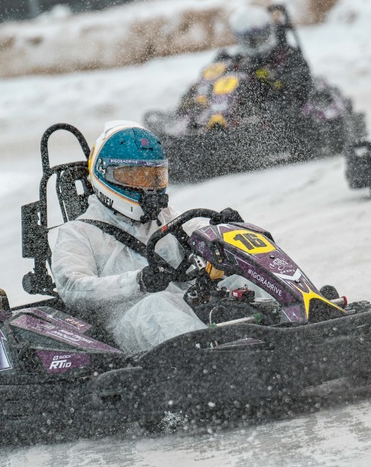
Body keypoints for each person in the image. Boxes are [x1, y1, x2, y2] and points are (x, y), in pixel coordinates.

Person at [50, 121, 238, 353]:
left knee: (240, 281)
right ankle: (216, 361)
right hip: (127, 327)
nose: (147, 187)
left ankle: (288, 332)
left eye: (153, 177)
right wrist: (137, 282)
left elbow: (196, 229)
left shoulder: (166, 217)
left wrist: (225, 231)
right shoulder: (78, 232)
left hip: (187, 306)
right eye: (134, 177)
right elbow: (72, 288)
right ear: (105, 173)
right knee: (157, 305)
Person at [223, 5, 312, 108]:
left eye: (259, 38)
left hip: (283, 106)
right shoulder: (241, 57)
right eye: (249, 41)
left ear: (269, 32)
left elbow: (300, 82)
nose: (255, 45)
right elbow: (226, 68)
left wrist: (271, 77)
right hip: (248, 107)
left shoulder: (286, 54)